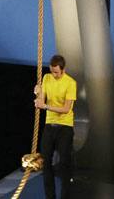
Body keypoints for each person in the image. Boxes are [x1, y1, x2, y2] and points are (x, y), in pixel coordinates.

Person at [34, 54, 77, 199]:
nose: (54, 74)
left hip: (65, 126)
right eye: (52, 71)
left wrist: (45, 106)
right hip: (49, 125)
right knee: (46, 162)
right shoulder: (46, 78)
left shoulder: (71, 83)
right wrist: (38, 93)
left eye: (56, 72)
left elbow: (66, 109)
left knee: (64, 163)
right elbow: (41, 101)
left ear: (63, 70)